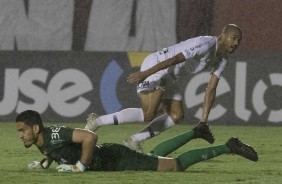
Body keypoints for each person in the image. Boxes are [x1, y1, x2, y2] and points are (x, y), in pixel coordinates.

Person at [85, 24, 242, 152]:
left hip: (169, 75)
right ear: (223, 35)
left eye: (238, 41)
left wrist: (203, 122)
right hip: (158, 65)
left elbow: (211, 89)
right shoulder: (205, 44)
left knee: (176, 115)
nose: (235, 43)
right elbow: (173, 59)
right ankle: (97, 121)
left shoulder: (223, 60)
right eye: (233, 38)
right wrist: (144, 73)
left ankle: (134, 140)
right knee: (148, 114)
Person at [16, 110, 258, 173]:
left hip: (117, 158)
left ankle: (229, 146)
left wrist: (81, 166)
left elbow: (90, 136)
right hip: (113, 157)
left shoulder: (54, 134)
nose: (20, 135)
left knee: (175, 166)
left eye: (22, 130)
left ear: (35, 128)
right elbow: (53, 150)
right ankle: (195, 133)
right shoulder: (44, 140)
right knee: (152, 155)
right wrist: (44, 164)